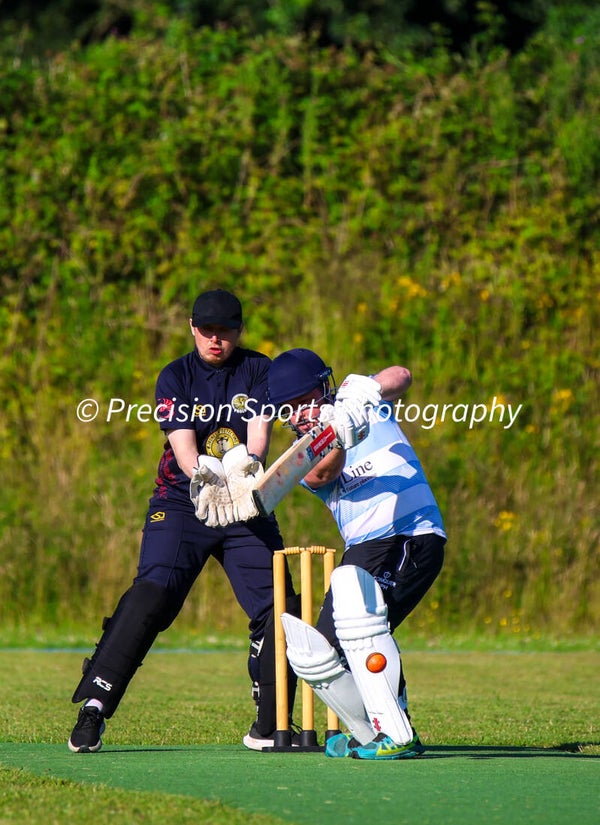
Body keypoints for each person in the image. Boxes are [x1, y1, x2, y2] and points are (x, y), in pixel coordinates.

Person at [68, 289, 300, 753]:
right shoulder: (175, 375)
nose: (216, 340)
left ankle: (271, 721)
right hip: (182, 502)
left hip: (243, 503)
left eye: (227, 331)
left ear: (240, 331)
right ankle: (94, 705)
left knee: (281, 605)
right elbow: (184, 450)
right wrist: (204, 474)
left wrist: (247, 469)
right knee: (152, 593)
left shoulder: (258, 369)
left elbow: (258, 436)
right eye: (208, 330)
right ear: (193, 327)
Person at [264, 348, 446, 760]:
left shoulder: (355, 395)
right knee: (319, 655)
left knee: (359, 626)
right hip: (365, 547)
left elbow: (402, 373)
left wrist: (360, 400)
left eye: (303, 401)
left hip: (410, 534)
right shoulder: (301, 454)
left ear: (322, 389)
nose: (298, 414)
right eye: (288, 409)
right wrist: (337, 435)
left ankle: (397, 734)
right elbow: (323, 473)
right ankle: (374, 733)